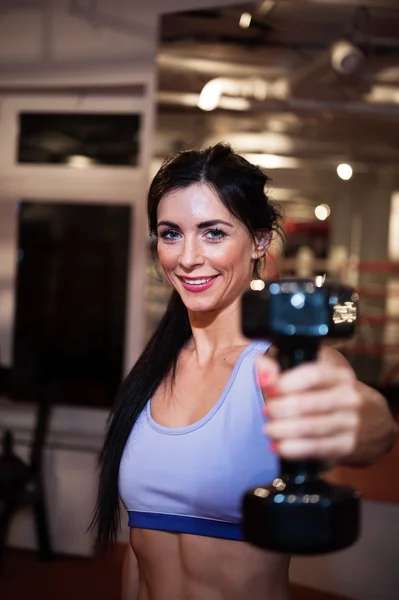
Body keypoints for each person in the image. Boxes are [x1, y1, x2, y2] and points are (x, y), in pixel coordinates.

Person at [91, 143, 397, 600]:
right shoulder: (153, 371)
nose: (187, 257)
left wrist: (358, 422)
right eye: (171, 233)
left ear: (257, 240)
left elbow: (375, 427)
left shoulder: (277, 366)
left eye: (213, 233)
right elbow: (139, 556)